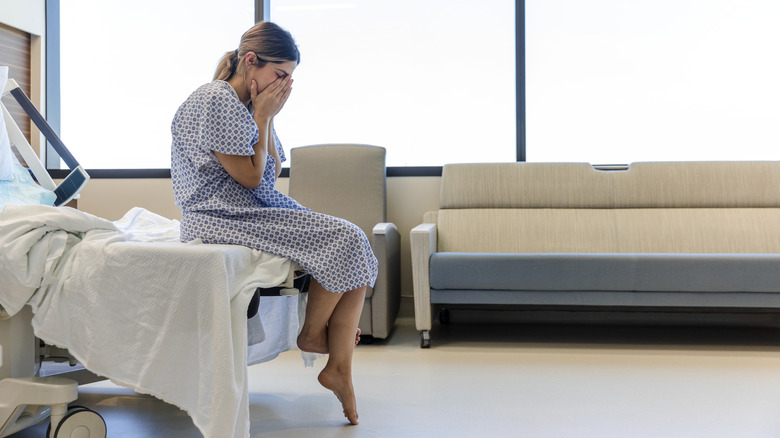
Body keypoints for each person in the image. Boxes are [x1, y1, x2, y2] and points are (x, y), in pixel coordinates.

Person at [170, 21, 378, 426]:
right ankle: (317, 337)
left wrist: (265, 114)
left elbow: (272, 169)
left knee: (356, 244)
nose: (285, 84)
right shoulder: (215, 100)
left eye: (290, 78)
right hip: (218, 214)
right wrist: (263, 117)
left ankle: (336, 364)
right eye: (280, 74)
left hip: (251, 206)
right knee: (347, 237)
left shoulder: (246, 103)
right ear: (251, 61)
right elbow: (250, 177)